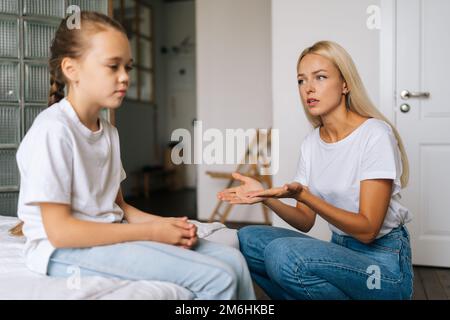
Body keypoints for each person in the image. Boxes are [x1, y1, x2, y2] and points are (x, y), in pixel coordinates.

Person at [11, 11, 255, 300]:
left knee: (235, 262)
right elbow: (61, 232)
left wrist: (164, 224)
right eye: (112, 66)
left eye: (128, 67)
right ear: (71, 69)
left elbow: (118, 208)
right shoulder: (54, 131)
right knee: (219, 278)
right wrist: (150, 233)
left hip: (106, 238)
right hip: (62, 252)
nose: (125, 77)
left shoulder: (109, 133)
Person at [218, 41, 413, 300]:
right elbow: (305, 220)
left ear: (345, 84)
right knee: (246, 239)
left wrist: (306, 196)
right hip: (340, 254)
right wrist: (265, 197)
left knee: (283, 254)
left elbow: (368, 230)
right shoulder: (311, 143)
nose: (308, 88)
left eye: (320, 77)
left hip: (381, 268)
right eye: (301, 80)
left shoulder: (374, 135)